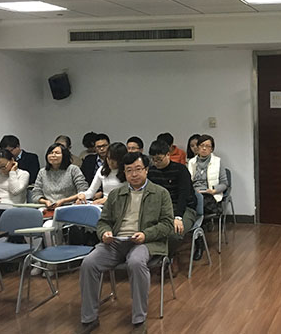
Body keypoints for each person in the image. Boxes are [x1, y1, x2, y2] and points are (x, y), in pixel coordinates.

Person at [78, 152, 173, 334]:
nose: (134, 174)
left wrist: (145, 234)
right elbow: (103, 221)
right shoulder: (116, 194)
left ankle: (139, 320)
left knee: (136, 262)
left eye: (138, 169)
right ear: (124, 172)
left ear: (146, 170)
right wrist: (104, 233)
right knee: (89, 263)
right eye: (129, 170)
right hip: (116, 241)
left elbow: (168, 224)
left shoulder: (160, 193)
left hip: (145, 242)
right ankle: (89, 318)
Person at [147, 140, 197, 261]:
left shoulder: (181, 170)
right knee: (147, 230)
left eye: (159, 159)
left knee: (175, 233)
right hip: (161, 209)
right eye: (153, 159)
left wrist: (178, 217)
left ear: (168, 155)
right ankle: (156, 256)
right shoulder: (151, 172)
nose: (156, 162)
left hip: (184, 208)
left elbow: (184, 196)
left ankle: (167, 258)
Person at [0, 148, 30, 230]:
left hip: (14, 210)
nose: (1, 170)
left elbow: (15, 191)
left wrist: (12, 172)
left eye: (3, 167)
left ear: (12, 161)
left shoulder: (23, 174)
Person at [32, 143, 88, 209]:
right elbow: (36, 194)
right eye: (50, 153)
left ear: (64, 156)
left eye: (57, 153)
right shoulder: (42, 172)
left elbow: (83, 191)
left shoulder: (73, 169)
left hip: (70, 206)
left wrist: (63, 201)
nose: (53, 155)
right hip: (48, 207)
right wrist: (45, 201)